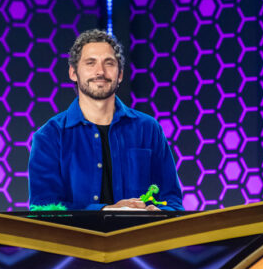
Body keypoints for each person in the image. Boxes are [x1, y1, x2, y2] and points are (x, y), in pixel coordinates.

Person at [28, 29, 183, 210]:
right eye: (90, 63)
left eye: (109, 63)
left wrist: (159, 213)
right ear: (73, 72)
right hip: (78, 231)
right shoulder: (49, 136)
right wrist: (104, 211)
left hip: (141, 230)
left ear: (120, 74)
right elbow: (44, 208)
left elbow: (172, 201)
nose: (100, 72)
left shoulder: (149, 129)